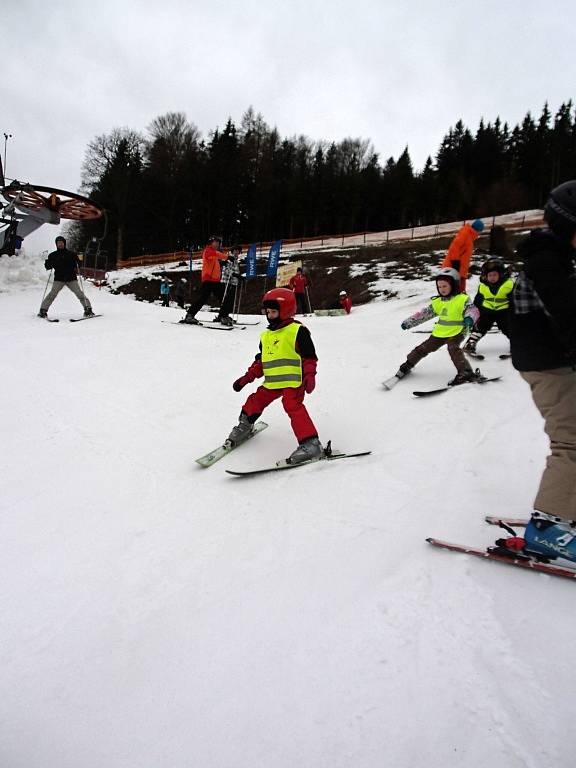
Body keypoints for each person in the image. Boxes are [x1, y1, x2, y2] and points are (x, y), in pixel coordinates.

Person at [495, 180, 576, 563]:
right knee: (572, 442)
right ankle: (549, 529)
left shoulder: (555, 258)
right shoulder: (548, 262)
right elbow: (568, 315)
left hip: (551, 359)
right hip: (549, 365)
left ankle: (566, 506)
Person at [226, 287, 322, 464]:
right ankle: (245, 425)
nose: (270, 316)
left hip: (293, 382)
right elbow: (262, 362)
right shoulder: (266, 336)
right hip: (272, 382)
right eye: (268, 312)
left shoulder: (297, 331)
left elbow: (309, 357)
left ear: (285, 310)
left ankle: (311, 444)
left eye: (274, 311)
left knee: (292, 405)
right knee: (255, 400)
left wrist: (310, 375)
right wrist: (246, 378)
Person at [394, 267, 480, 385]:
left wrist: (469, 318)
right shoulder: (438, 302)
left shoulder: (462, 299)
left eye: (445, 286)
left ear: (454, 285)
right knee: (423, 348)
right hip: (440, 332)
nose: (442, 289)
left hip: (458, 331)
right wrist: (410, 322)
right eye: (439, 287)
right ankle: (408, 364)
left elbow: (472, 310)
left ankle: (465, 372)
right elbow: (424, 314)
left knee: (453, 348)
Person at [463, 258, 514, 355]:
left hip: (504, 311)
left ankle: (516, 345)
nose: (492, 277)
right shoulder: (483, 286)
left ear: (501, 274)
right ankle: (470, 343)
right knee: (480, 326)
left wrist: (514, 312)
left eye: (495, 275)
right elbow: (478, 300)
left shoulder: (508, 285)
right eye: (490, 275)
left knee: (508, 327)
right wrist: (475, 312)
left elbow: (513, 300)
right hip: (487, 311)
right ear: (485, 276)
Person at [38, 236, 94, 318]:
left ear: (64, 243)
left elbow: (80, 264)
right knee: (52, 294)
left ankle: (88, 309)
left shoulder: (71, 254)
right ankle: (43, 310)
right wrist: (48, 263)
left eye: (61, 243)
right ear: (56, 244)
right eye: (58, 243)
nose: (60, 244)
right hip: (59, 279)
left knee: (79, 294)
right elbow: (48, 267)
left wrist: (80, 261)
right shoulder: (53, 255)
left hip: (71, 278)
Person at [181, 236, 228, 324]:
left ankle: (223, 316)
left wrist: (222, 263)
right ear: (211, 243)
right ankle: (190, 315)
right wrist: (227, 257)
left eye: (219, 243)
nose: (218, 244)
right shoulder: (208, 251)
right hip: (208, 280)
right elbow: (214, 255)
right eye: (216, 242)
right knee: (203, 298)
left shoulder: (214, 254)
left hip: (215, 281)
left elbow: (213, 263)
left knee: (223, 298)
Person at [441, 219, 485, 292]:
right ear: (478, 230)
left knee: (459, 291)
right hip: (452, 268)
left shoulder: (469, 237)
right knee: (453, 291)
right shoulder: (465, 234)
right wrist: (455, 262)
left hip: (460, 270)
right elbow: (454, 247)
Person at [215, 245, 242, 326]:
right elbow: (226, 270)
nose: (237, 252)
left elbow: (235, 270)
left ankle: (222, 315)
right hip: (227, 282)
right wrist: (235, 275)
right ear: (232, 251)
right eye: (235, 250)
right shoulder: (230, 258)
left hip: (233, 282)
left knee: (229, 300)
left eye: (238, 251)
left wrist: (238, 276)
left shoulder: (236, 260)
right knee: (228, 300)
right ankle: (224, 316)